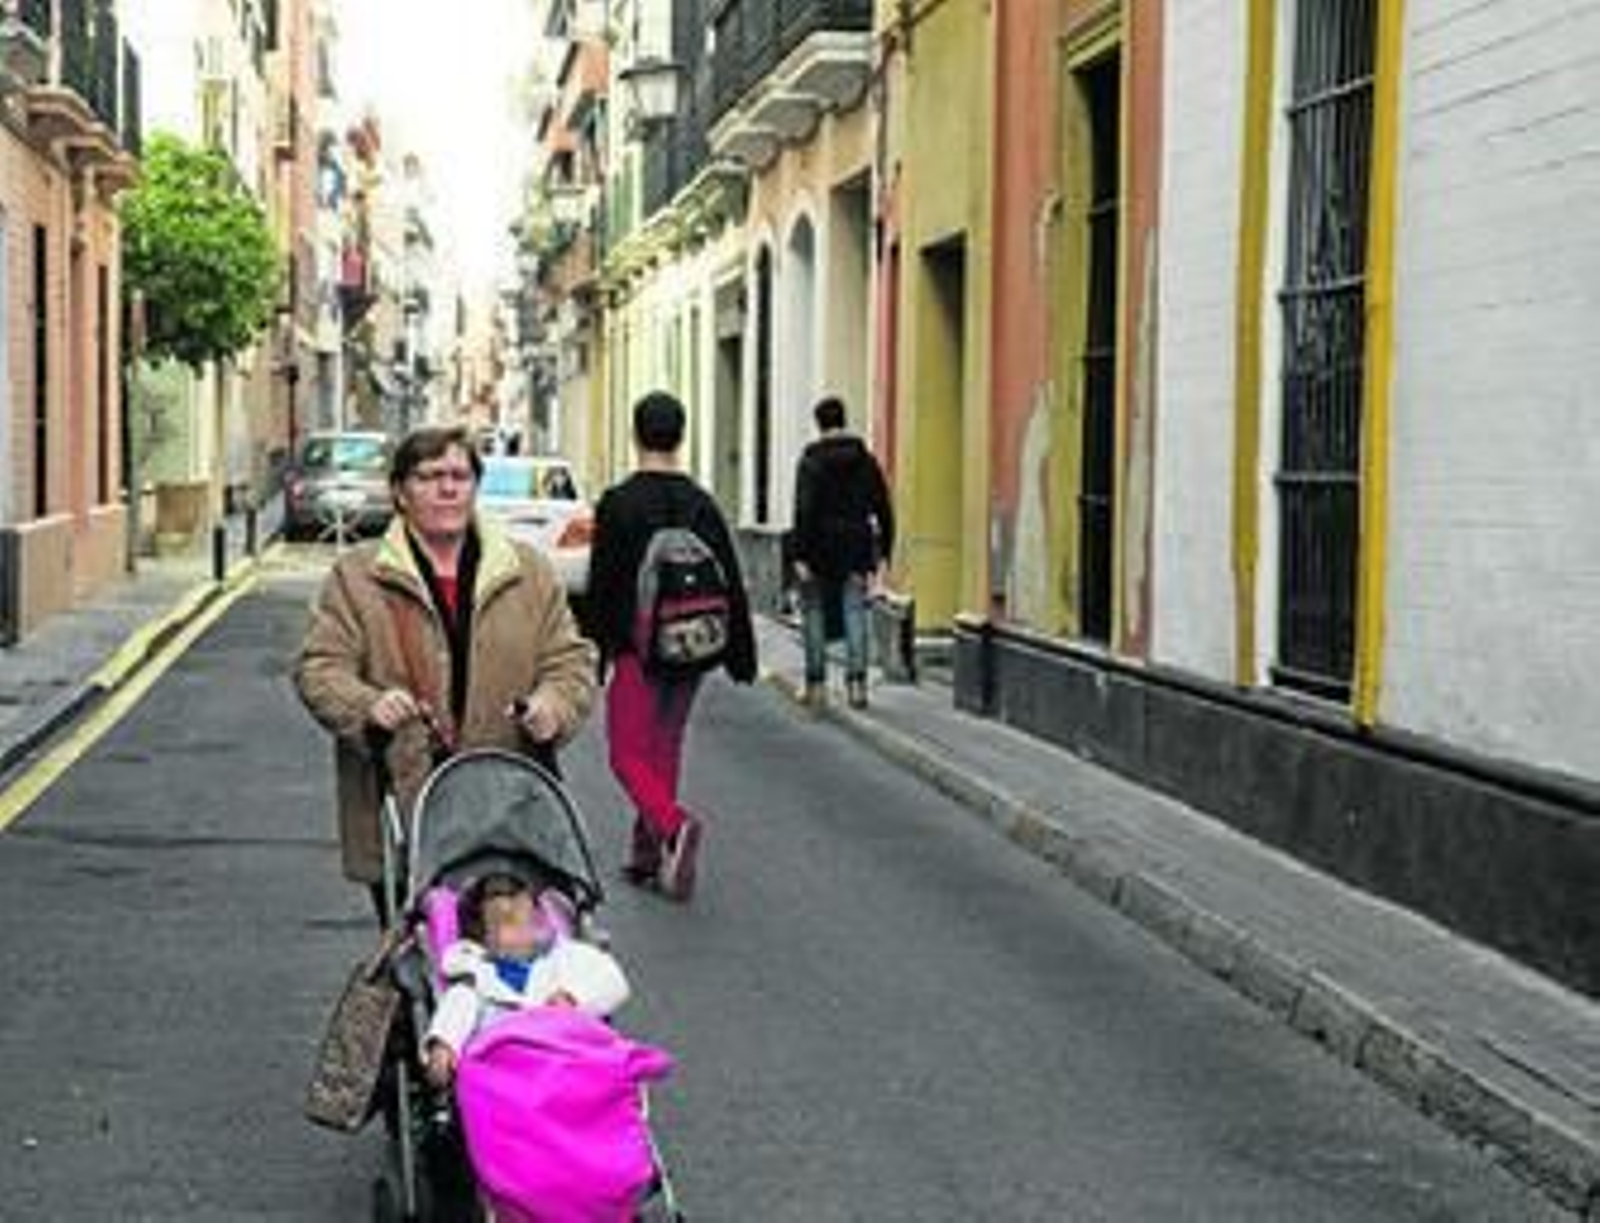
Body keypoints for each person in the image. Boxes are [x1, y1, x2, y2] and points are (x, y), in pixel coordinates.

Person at [294, 425, 598, 913]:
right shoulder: (358, 576)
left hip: (509, 814)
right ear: (399, 491)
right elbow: (320, 667)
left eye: (460, 475)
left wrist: (553, 706)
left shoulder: (528, 572)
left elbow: (571, 660)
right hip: (404, 800)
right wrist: (368, 705)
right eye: (430, 476)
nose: (448, 488)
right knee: (420, 959)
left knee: (505, 962)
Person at [586, 391, 757, 902]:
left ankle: (672, 825)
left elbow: (605, 583)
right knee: (664, 746)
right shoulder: (700, 502)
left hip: (639, 647)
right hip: (693, 645)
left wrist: (600, 647)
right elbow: (731, 577)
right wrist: (740, 651)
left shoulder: (620, 503)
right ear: (681, 436)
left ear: (636, 434)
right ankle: (646, 853)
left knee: (624, 752)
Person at [423, 873, 630, 1087]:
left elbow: (611, 979)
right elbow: (454, 1012)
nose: (524, 928)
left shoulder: (561, 958)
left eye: (529, 919)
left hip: (565, 1062)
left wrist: (575, 997)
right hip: (505, 1077)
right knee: (464, 1000)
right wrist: (444, 1046)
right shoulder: (473, 979)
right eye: (510, 922)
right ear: (481, 937)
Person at [790, 396, 895, 710]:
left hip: (819, 547)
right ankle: (857, 686)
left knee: (814, 612)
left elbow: (804, 509)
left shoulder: (810, 460)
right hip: (855, 545)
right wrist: (885, 550)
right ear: (843, 420)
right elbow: (883, 507)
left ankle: (817, 686)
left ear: (818, 423)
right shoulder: (865, 460)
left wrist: (799, 553)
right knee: (855, 611)